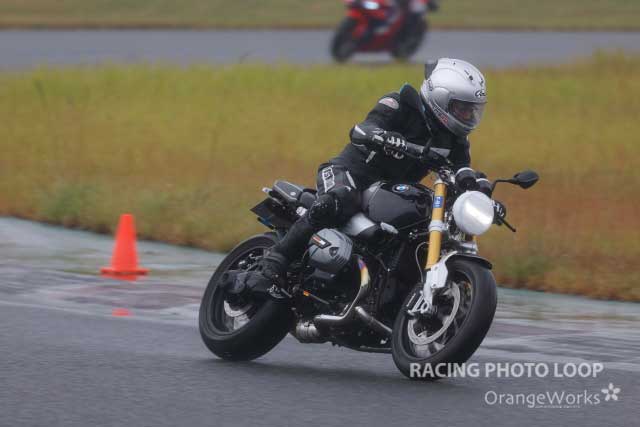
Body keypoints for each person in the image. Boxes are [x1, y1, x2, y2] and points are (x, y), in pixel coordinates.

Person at [233, 58, 490, 300]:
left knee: (417, 226)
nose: (468, 116)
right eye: (462, 108)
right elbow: (362, 129)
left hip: (390, 191)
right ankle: (274, 262)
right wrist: (384, 137)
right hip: (348, 173)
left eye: (472, 111)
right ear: (440, 98)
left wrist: (479, 187)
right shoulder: (399, 103)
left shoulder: (456, 140)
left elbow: (462, 171)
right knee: (340, 200)